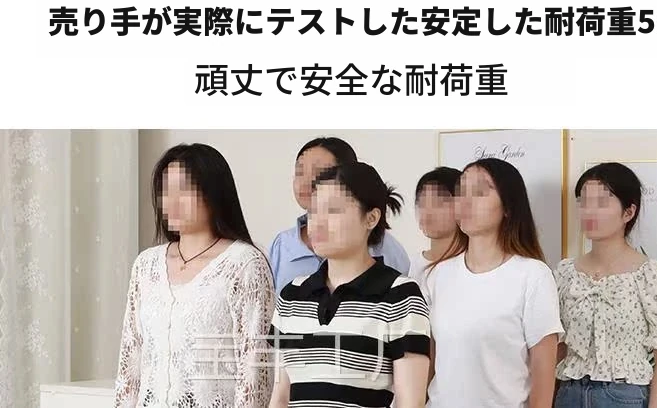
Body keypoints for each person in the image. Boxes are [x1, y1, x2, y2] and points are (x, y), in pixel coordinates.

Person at [114, 143, 275, 408]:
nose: (172, 201)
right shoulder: (146, 265)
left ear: (213, 193)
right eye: (166, 191)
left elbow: (254, 367)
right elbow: (130, 361)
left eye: (184, 189)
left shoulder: (244, 264)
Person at [268, 161, 431, 408]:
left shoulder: (400, 295)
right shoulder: (292, 295)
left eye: (333, 210)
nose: (317, 223)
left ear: (371, 218)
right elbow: (280, 396)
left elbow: (410, 402)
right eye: (313, 211)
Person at [426, 158, 563, 408]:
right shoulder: (438, 275)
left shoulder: (533, 276)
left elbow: (543, 374)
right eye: (460, 192)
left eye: (479, 192)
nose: (465, 201)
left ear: (508, 207)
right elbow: (430, 362)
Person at [554, 163, 657, 408]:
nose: (589, 211)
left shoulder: (653, 275)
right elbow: (559, 347)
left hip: (623, 396)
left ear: (628, 212)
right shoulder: (565, 273)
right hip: (568, 394)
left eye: (601, 203)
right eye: (584, 202)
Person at [269, 137, 410, 293]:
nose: (306, 181)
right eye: (299, 172)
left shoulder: (386, 249)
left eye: (319, 172)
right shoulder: (282, 245)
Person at [409, 166, 468, 293]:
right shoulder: (412, 264)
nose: (428, 211)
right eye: (422, 203)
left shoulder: (472, 265)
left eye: (439, 203)